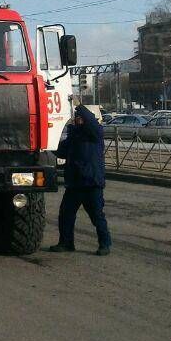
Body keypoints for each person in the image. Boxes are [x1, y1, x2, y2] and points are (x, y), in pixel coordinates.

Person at [49, 100, 112, 255]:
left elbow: (91, 122)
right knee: (66, 215)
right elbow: (60, 151)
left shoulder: (94, 133)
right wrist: (49, 143)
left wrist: (80, 107)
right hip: (74, 184)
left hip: (91, 183)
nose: (77, 119)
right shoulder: (73, 137)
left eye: (79, 117)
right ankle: (66, 242)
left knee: (97, 216)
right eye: (76, 117)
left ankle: (105, 244)